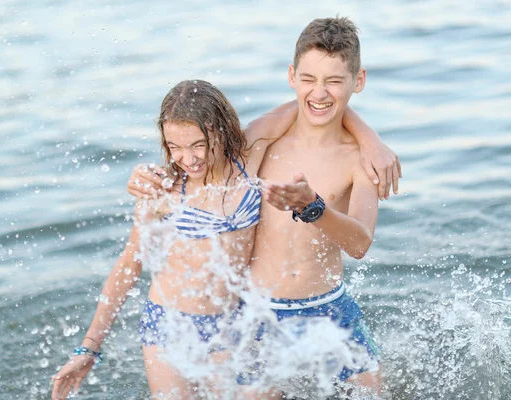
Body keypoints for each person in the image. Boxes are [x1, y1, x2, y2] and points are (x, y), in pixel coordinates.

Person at [127, 17, 399, 398]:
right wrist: (145, 178)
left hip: (328, 307)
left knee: (376, 392)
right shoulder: (260, 140)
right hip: (257, 312)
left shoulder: (361, 160)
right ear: (291, 76)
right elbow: (196, 161)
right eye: (308, 79)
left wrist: (313, 206)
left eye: (335, 82)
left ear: (359, 81)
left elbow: (360, 243)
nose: (319, 93)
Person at [51, 79, 299, 400]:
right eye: (175, 147)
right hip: (171, 326)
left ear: (221, 130)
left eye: (198, 144)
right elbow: (128, 266)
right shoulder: (161, 191)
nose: (188, 158)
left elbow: (311, 103)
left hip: (234, 322)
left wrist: (369, 142)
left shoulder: (249, 156)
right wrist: (89, 347)